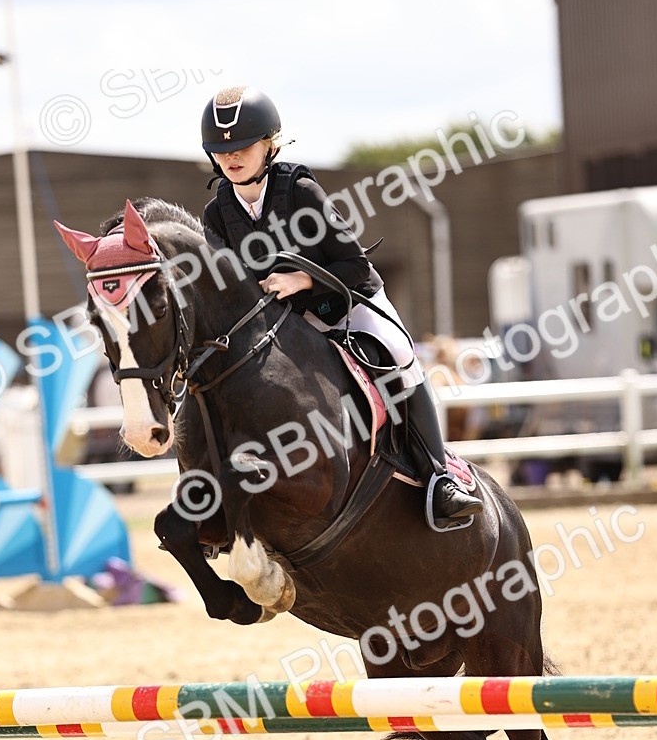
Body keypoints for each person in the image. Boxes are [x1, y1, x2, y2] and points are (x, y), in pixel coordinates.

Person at [200, 85, 483, 529]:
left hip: (345, 302)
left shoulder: (300, 190)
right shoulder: (216, 214)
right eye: (221, 150)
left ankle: (438, 479)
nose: (231, 157)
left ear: (269, 144)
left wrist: (300, 279)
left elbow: (354, 264)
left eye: (242, 146)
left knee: (400, 356)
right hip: (282, 322)